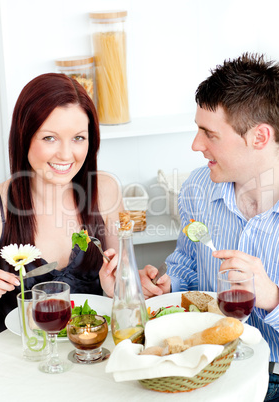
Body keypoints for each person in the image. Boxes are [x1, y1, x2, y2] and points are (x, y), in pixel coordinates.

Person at [102, 53, 279, 401]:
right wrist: (167, 284)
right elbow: (188, 264)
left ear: (259, 137)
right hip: (204, 365)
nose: (196, 145)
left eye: (209, 134)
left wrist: (272, 298)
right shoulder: (198, 188)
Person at [0, 72, 123, 333]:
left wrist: (118, 290)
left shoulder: (106, 191)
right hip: (17, 362)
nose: (66, 154)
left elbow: (126, 298)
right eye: (49, 138)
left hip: (90, 352)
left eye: (78, 138)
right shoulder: (0, 206)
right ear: (24, 136)